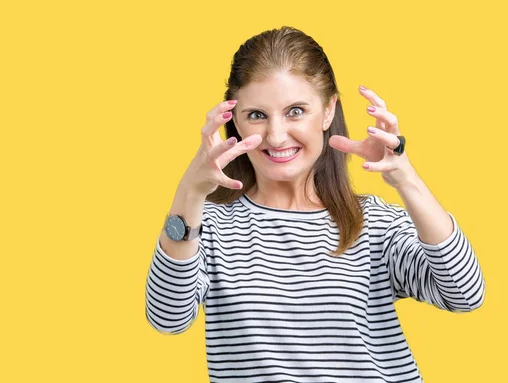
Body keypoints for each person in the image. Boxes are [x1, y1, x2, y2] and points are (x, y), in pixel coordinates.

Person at [144, 26, 485, 383]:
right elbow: (168, 319)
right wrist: (190, 191)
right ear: (235, 123)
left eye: (295, 111)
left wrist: (405, 177)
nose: (276, 136)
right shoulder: (207, 225)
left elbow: (464, 293)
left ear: (327, 111)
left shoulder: (374, 222)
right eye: (257, 115)